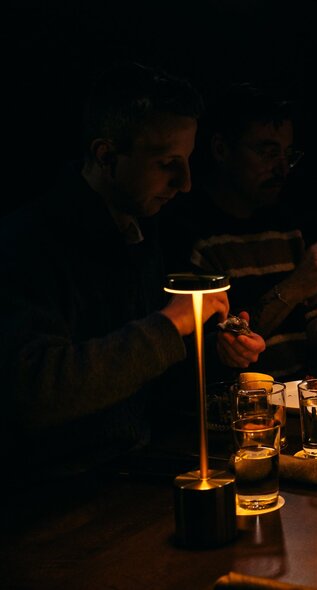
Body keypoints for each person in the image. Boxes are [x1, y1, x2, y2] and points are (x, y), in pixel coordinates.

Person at [0, 62, 265, 480]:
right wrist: (170, 324)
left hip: (134, 467)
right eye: (167, 163)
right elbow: (35, 393)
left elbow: (145, 383)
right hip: (51, 492)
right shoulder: (28, 243)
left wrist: (216, 351)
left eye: (188, 161)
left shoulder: (138, 230)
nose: (185, 182)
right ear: (106, 156)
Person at [161, 83, 317, 380]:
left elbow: (312, 333)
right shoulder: (193, 236)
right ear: (221, 149)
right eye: (268, 153)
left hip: (301, 395)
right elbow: (213, 355)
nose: (282, 168)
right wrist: (295, 286)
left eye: (288, 154)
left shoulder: (288, 226)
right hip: (239, 402)